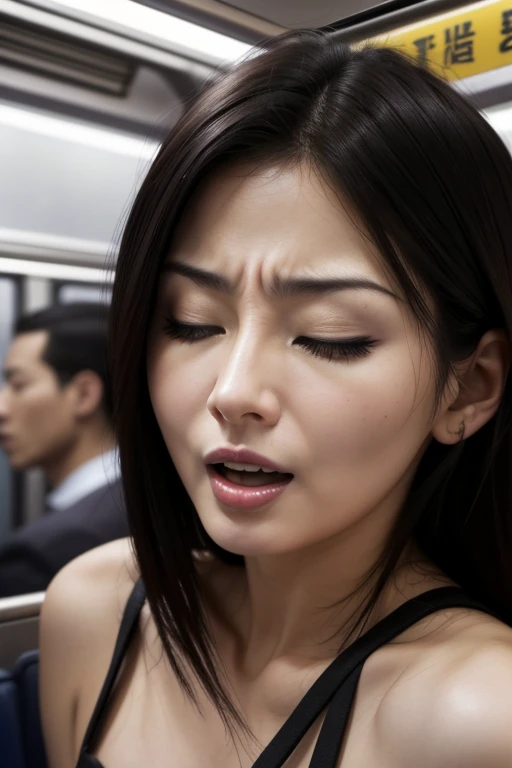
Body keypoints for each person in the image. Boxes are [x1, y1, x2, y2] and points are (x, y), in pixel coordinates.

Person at [40, 31, 512, 768]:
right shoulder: (95, 611)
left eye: (332, 337)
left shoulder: (478, 714)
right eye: (192, 322)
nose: (233, 394)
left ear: (470, 387)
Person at [0, 302, 128, 596]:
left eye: (18, 385)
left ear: (83, 394)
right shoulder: (156, 501)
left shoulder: (44, 553)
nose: (2, 407)